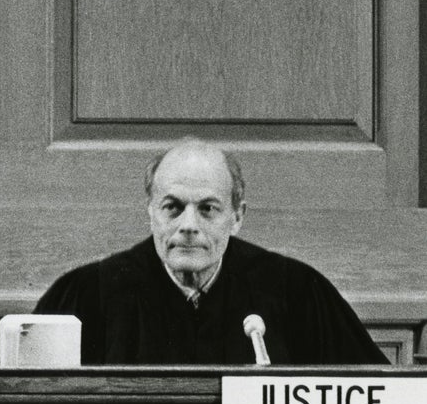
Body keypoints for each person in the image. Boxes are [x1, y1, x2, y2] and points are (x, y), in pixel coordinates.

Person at [33, 139, 386, 365]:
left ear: (237, 217)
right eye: (173, 207)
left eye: (208, 209)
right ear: (150, 211)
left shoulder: (296, 292)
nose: (189, 224)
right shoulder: (86, 297)